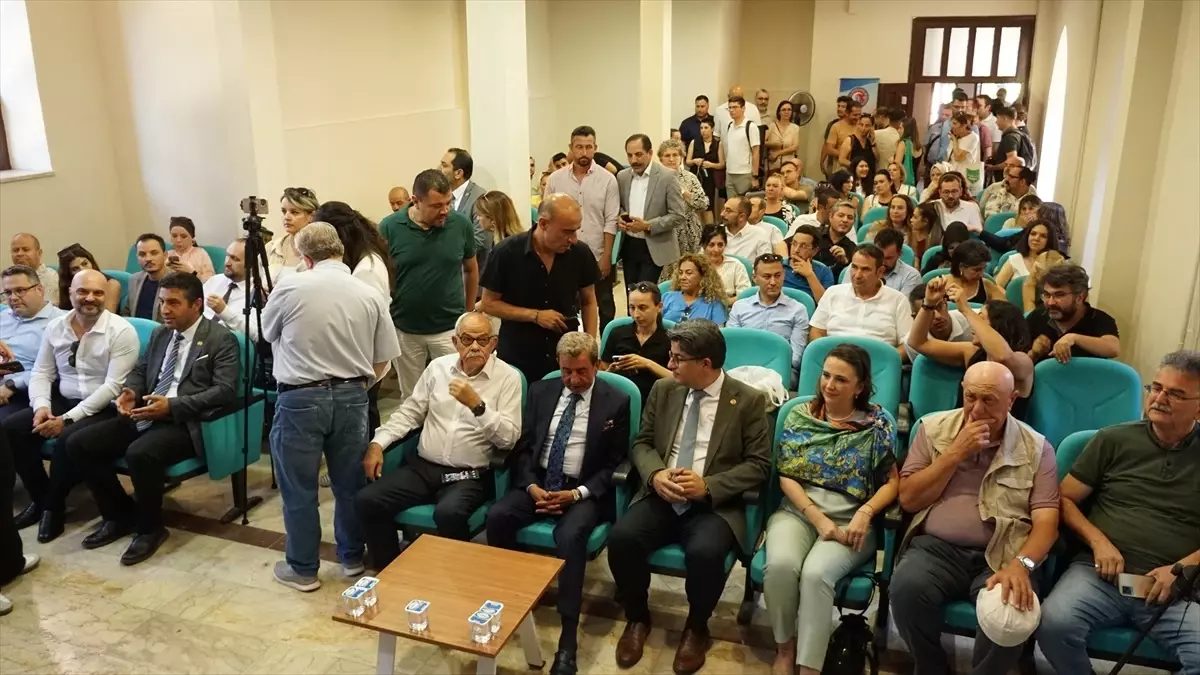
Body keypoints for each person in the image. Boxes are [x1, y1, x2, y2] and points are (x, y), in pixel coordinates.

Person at [609, 320, 769, 673]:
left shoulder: (748, 401)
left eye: (678, 358)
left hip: (713, 504)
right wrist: (655, 474)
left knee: (705, 553)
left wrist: (709, 486)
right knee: (622, 539)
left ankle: (697, 627)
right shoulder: (664, 389)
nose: (669, 365)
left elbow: (759, 465)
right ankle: (637, 617)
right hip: (662, 493)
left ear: (705, 363)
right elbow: (642, 443)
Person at [892, 361, 1060, 675]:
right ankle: (931, 667)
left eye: (989, 400)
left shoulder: (1037, 448)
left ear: (1011, 400)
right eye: (971, 397)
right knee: (906, 590)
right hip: (937, 549)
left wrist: (1022, 565)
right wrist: (955, 453)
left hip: (1005, 554)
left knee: (1011, 615)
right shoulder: (933, 429)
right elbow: (909, 499)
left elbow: (1047, 525)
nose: (977, 409)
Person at [1037, 350, 1200, 674]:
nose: (1159, 399)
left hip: (1175, 586)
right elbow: (1063, 499)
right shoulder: (1113, 439)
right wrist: (1098, 541)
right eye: (1156, 388)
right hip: (1100, 575)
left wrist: (1183, 568)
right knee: (1054, 624)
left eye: (1176, 394)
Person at [262, 223, 401, 592]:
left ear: (305, 258)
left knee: (299, 488)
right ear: (340, 249)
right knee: (350, 484)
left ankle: (303, 569)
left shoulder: (290, 286)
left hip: (300, 397)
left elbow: (266, 332)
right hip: (353, 396)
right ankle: (352, 557)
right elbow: (385, 358)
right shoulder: (368, 292)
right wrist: (357, 387)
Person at [68, 272, 238, 565]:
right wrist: (131, 392)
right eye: (162, 302)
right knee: (79, 443)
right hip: (147, 410)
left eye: (173, 303)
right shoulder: (161, 333)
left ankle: (150, 529)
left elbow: (225, 391)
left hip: (184, 421)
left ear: (196, 304)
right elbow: (141, 369)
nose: (165, 310)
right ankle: (118, 515)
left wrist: (172, 406)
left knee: (141, 453)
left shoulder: (221, 339)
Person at [486, 332, 630, 675]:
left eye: (581, 372)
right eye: (566, 371)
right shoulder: (540, 391)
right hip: (539, 484)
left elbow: (615, 463)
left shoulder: (616, 401)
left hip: (582, 490)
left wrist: (577, 494)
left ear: (596, 366)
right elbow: (524, 448)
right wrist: (532, 486)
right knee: (498, 516)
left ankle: (568, 639)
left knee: (570, 536)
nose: (573, 380)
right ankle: (515, 597)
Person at [764, 345, 899, 675]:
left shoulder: (878, 423)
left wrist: (865, 513)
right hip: (799, 511)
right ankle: (785, 647)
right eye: (826, 375)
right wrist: (818, 518)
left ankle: (809, 666)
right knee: (780, 566)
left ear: (860, 386)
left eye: (841, 379)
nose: (829, 384)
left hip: (852, 520)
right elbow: (786, 475)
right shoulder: (801, 415)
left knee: (816, 575)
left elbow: (892, 482)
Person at [357, 311, 521, 569]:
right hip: (424, 468)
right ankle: (389, 570)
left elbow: (509, 439)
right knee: (368, 500)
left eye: (482, 340)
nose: (475, 347)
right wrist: (378, 443)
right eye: (467, 339)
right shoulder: (438, 368)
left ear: (493, 343)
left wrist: (478, 406)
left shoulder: (508, 378)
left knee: (449, 513)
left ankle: (452, 579)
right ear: (455, 342)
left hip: (470, 475)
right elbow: (410, 413)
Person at [3, 270, 138, 541]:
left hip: (105, 406)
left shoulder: (121, 331)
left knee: (68, 439)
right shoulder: (57, 327)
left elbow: (112, 387)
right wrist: (41, 406)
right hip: (64, 397)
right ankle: (41, 499)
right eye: (82, 292)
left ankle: (52, 508)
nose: (90, 298)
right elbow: (42, 372)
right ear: (70, 293)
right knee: (12, 429)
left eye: (98, 293)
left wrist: (66, 420)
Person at [379, 169, 478, 403]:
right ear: (416, 201)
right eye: (436, 206)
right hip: (406, 329)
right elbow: (381, 275)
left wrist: (468, 311)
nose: (444, 211)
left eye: (448, 203)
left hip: (449, 327)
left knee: (455, 396)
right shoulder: (390, 227)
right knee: (412, 398)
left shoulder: (460, 224)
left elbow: (471, 269)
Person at [480, 194, 601, 384]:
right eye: (567, 232)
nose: (573, 239)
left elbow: (589, 301)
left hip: (566, 356)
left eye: (576, 231)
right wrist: (535, 315)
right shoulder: (506, 252)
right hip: (519, 354)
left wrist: (589, 344)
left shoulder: (580, 253)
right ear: (543, 224)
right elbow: (488, 303)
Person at [316, 201, 397, 431]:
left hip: (366, 362)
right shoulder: (363, 255)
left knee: (364, 423)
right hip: (363, 360)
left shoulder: (367, 269)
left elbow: (367, 324)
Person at [909, 277, 1034, 417]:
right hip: (964, 424)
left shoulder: (1023, 362)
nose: (973, 324)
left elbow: (1002, 356)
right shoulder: (971, 352)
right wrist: (929, 304)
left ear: (999, 327)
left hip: (1005, 429)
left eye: (980, 318)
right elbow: (918, 342)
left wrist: (966, 310)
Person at [546, 126, 620, 332]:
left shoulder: (608, 180)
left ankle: (603, 344)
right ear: (571, 148)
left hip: (596, 253)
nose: (584, 152)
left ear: (595, 148)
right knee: (566, 304)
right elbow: (547, 217)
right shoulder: (555, 179)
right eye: (579, 147)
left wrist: (607, 256)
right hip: (562, 253)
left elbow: (611, 220)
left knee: (604, 304)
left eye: (589, 147)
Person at [809, 246, 912, 357]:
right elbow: (816, 331)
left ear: (880, 272)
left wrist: (886, 363)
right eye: (854, 267)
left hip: (877, 364)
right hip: (834, 362)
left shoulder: (898, 300)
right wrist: (829, 359)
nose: (857, 275)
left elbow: (907, 345)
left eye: (865, 269)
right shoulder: (832, 293)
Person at [726, 254, 809, 382]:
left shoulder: (798, 310)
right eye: (766, 277)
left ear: (784, 275)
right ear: (755, 278)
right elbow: (732, 348)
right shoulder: (739, 307)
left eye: (777, 275)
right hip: (743, 369)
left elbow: (795, 358)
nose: (773, 282)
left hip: (780, 371)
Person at [616, 134, 686, 284]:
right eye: (630, 155)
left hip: (656, 247)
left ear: (650, 153)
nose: (634, 160)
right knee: (631, 293)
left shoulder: (667, 177)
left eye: (639, 154)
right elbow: (621, 206)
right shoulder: (622, 177)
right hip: (629, 245)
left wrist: (648, 226)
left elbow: (678, 215)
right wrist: (621, 217)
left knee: (646, 293)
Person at [0, 266, 66, 423]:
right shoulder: (3, 316)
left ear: (40, 290)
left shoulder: (61, 323)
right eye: (8, 292)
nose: (13, 298)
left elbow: (56, 371)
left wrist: (11, 385)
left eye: (20, 290)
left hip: (27, 391)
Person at [1027, 263, 1120, 364]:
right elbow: (1018, 365)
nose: (1050, 302)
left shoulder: (1098, 318)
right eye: (1047, 295)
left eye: (1059, 295)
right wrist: (1034, 353)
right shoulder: (1038, 316)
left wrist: (1074, 338)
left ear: (1079, 297)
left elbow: (1113, 348)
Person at [601, 282, 672, 403]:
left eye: (643, 308)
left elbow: (680, 380)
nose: (636, 315)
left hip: (657, 401)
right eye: (632, 308)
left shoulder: (670, 339)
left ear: (659, 307)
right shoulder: (617, 333)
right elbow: (603, 371)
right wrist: (610, 373)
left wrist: (648, 364)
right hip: (619, 399)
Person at [656, 139, 708, 271]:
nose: (671, 159)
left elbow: (703, 203)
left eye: (675, 155)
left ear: (681, 157)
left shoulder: (690, 178)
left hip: (690, 231)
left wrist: (685, 193)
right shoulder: (655, 179)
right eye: (667, 155)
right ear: (661, 159)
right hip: (665, 232)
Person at [202, 238, 263, 341]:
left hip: (224, 344)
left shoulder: (257, 294)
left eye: (235, 259)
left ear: (251, 265)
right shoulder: (214, 281)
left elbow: (256, 335)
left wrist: (224, 312)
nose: (227, 263)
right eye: (227, 255)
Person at [441, 147, 491, 271]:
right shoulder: (441, 195)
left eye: (444, 166)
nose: (439, 170)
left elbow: (481, 241)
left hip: (470, 271)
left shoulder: (479, 197)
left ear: (458, 173)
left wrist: (446, 252)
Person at [266, 186, 319, 284]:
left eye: (294, 212)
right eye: (284, 211)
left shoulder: (321, 250)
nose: (286, 217)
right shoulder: (271, 248)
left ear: (311, 216)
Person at [661, 253, 728, 325]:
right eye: (680, 273)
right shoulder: (667, 297)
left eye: (689, 273)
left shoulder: (714, 304)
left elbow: (718, 331)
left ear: (703, 276)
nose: (682, 277)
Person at [55, 244, 121, 314]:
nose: (83, 270)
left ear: (91, 262)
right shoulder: (68, 286)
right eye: (75, 269)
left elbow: (107, 316)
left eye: (85, 264)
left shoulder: (111, 284)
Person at [994, 220, 1059, 288]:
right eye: (1033, 234)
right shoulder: (1015, 259)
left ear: (1049, 241)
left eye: (1043, 236)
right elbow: (996, 287)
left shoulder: (1056, 263)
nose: (1036, 238)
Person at [124, 233, 169, 321]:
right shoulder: (134, 280)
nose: (148, 259)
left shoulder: (177, 281)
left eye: (154, 253)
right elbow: (127, 312)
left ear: (165, 255)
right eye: (142, 254)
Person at [722, 96, 761, 197]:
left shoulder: (750, 126)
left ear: (743, 108)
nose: (731, 110)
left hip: (744, 173)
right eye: (730, 108)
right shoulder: (730, 125)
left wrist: (755, 176)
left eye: (735, 107)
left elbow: (756, 152)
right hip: (730, 172)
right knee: (731, 203)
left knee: (744, 203)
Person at [685, 119, 723, 222]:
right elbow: (687, 161)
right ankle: (698, 228)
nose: (703, 130)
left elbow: (722, 164)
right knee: (695, 204)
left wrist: (711, 165)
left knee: (708, 206)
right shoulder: (694, 142)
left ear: (712, 129)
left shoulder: (718, 144)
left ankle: (709, 228)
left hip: (710, 178)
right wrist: (694, 161)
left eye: (706, 128)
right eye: (701, 128)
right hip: (695, 177)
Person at [784, 225, 834, 302]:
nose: (796, 250)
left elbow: (825, 304)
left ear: (815, 251)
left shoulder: (824, 271)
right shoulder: (778, 265)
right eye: (794, 243)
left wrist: (810, 275)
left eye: (803, 246)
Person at [700, 225, 750, 300]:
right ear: (703, 245)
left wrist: (727, 302)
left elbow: (745, 294)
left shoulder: (736, 265)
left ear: (725, 245)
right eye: (711, 245)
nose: (716, 250)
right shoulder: (694, 265)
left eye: (720, 245)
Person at [9, 233, 59, 306]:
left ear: (39, 253)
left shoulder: (52, 278)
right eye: (16, 250)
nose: (19, 253)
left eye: (25, 249)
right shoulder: (6, 280)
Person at [719, 196, 773, 261]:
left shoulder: (760, 235)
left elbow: (765, 264)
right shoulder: (716, 232)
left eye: (728, 211)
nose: (722, 214)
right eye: (723, 209)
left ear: (741, 217)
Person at [814, 199, 858, 278]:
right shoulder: (813, 234)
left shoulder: (853, 249)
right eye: (841, 215)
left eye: (850, 217)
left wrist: (845, 262)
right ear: (830, 217)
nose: (845, 220)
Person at [874, 228, 921, 298]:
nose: (882, 262)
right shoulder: (861, 268)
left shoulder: (911, 276)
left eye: (888, 258)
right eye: (879, 256)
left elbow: (903, 304)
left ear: (899, 254)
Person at [166, 216, 216, 281]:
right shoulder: (167, 255)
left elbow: (211, 281)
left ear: (192, 239)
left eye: (184, 236)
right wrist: (165, 269)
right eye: (174, 236)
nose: (178, 240)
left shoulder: (201, 254)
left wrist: (192, 272)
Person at [946, 112, 983, 195]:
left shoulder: (973, 137)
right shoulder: (955, 136)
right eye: (952, 123)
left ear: (964, 125)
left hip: (965, 177)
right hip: (952, 174)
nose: (952, 126)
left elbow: (958, 157)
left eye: (955, 123)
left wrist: (954, 140)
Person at [823, 100, 860, 177]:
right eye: (855, 115)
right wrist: (846, 155)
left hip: (858, 170)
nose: (857, 117)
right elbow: (829, 149)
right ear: (847, 113)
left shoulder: (861, 126)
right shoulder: (836, 127)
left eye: (859, 115)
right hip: (840, 170)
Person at [765, 100, 800, 171]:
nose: (786, 112)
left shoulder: (795, 128)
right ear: (779, 112)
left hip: (788, 165)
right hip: (773, 165)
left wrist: (778, 153)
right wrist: (774, 144)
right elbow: (762, 142)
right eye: (784, 110)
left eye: (789, 110)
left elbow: (795, 147)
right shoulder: (771, 126)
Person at [907, 201, 941, 266]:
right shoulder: (908, 236)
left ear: (925, 221)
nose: (911, 220)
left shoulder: (935, 241)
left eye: (915, 217)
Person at [872, 106, 903, 171]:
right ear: (900, 122)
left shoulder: (875, 133)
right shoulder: (900, 137)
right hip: (893, 171)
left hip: (877, 170)